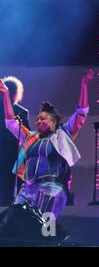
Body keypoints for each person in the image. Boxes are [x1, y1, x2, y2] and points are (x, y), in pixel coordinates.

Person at [0, 70, 93, 218]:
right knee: (16, 224)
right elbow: (11, 121)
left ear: (53, 121)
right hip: (28, 189)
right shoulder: (30, 137)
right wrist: (6, 95)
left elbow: (81, 113)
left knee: (44, 230)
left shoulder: (62, 135)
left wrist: (84, 85)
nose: (39, 121)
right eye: (37, 119)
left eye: (43, 118)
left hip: (52, 189)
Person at [0, 76, 30, 206]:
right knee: (9, 192)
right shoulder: (21, 111)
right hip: (13, 156)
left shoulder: (20, 112)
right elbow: (27, 136)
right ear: (17, 93)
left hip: (10, 155)